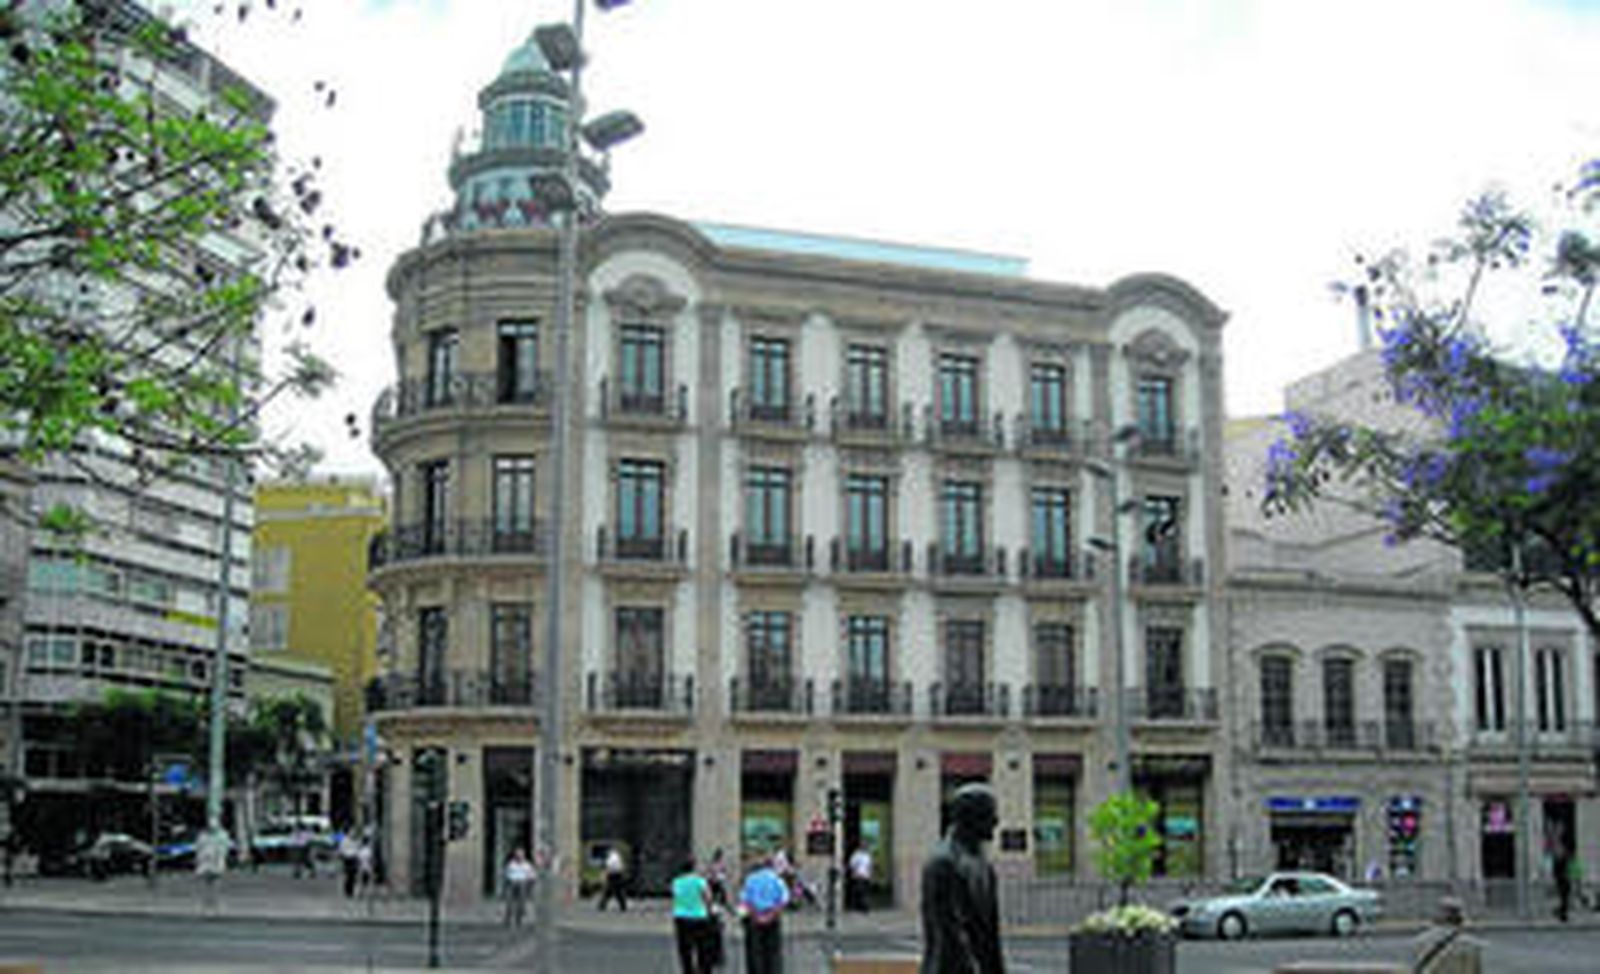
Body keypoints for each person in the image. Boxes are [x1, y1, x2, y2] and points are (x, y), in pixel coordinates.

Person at [921, 783, 1004, 974]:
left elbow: (991, 936)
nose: (996, 821)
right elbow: (948, 936)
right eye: (989, 814)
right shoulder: (942, 863)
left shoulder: (984, 865)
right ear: (969, 817)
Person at [740, 853, 790, 974]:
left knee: (755, 952)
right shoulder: (777, 880)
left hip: (755, 919)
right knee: (772, 951)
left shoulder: (750, 880)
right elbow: (783, 900)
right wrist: (771, 915)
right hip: (772, 918)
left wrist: (756, 916)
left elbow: (745, 902)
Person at [671, 855, 717, 973]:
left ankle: (688, 970)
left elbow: (676, 897)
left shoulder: (677, 882)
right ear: (694, 867)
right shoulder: (700, 881)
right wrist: (710, 909)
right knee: (702, 946)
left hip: (681, 916)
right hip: (699, 916)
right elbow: (708, 898)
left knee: (685, 948)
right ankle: (703, 969)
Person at [504, 847, 535, 927]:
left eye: (521, 855)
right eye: (517, 855)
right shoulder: (511, 864)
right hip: (512, 883)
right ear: (515, 856)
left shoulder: (527, 865)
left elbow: (532, 876)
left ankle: (519, 919)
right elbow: (507, 874)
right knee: (509, 902)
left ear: (523, 856)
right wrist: (509, 881)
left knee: (521, 903)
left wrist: (529, 884)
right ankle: (507, 919)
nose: (519, 856)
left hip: (522, 883)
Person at [598, 845, 628, 912]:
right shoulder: (615, 856)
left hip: (614, 875)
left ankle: (603, 905)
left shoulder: (611, 857)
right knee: (614, 891)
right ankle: (622, 906)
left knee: (613, 891)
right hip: (617, 874)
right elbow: (621, 866)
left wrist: (603, 876)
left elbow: (607, 868)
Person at [848, 844, 873, 913]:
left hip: (866, 876)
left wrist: (870, 874)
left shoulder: (867, 855)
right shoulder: (856, 855)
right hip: (858, 875)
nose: (865, 847)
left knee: (864, 891)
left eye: (866, 846)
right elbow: (852, 865)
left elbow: (869, 865)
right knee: (860, 891)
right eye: (863, 846)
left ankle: (863, 906)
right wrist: (855, 873)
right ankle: (861, 907)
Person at [339, 829, 362, 898]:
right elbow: (341, 850)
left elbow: (358, 849)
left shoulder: (357, 841)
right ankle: (348, 891)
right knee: (349, 875)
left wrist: (358, 858)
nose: (353, 834)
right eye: (351, 833)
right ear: (348, 833)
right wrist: (343, 857)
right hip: (347, 859)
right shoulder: (344, 840)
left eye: (354, 833)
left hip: (354, 859)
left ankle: (351, 890)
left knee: (353, 875)